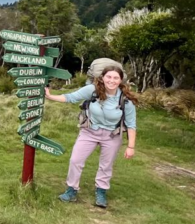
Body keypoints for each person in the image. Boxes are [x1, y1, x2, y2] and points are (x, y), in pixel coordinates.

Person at [43, 66, 138, 209]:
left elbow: (131, 125)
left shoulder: (126, 101)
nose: (111, 81)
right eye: (109, 77)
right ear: (103, 77)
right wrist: (50, 97)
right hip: (89, 131)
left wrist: (131, 147)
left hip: (112, 135)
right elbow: (70, 97)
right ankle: (71, 190)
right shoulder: (92, 90)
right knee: (76, 160)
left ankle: (101, 192)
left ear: (120, 81)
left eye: (115, 78)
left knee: (106, 165)